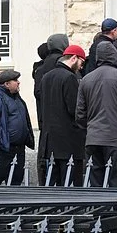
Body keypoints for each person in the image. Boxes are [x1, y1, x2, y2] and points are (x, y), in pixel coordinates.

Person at [77, 42, 117, 187]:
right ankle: (113, 209)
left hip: (93, 137)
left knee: (95, 180)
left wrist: (89, 128)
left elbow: (80, 113)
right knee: (115, 179)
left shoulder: (86, 79)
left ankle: (98, 208)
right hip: (116, 137)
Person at [40, 45, 87, 187]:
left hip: (50, 141)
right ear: (74, 58)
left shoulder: (46, 77)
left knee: (54, 184)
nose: (81, 67)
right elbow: (74, 110)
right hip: (69, 141)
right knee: (70, 184)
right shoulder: (70, 78)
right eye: (81, 63)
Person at [34, 33, 69, 184]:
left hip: (46, 122)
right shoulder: (64, 65)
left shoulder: (40, 68)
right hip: (65, 125)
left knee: (48, 166)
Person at [0, 70, 35, 185]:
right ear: (6, 84)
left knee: (16, 181)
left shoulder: (17, 98)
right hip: (4, 149)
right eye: (15, 80)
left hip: (19, 149)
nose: (18, 83)